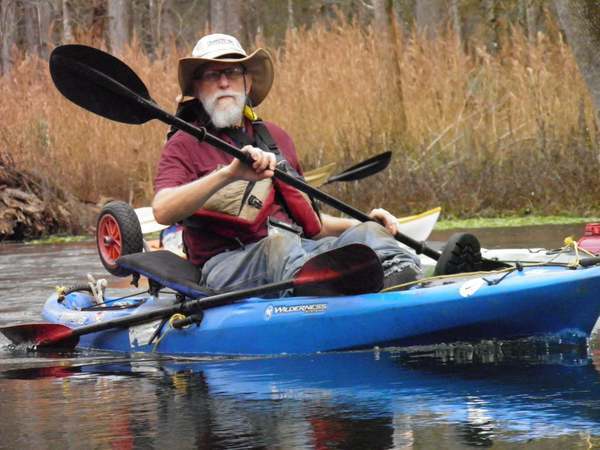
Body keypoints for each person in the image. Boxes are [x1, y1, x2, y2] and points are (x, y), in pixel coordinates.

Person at [153, 33, 421, 293]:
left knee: (367, 233)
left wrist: (364, 222)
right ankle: (324, 292)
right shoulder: (184, 143)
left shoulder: (275, 137)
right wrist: (229, 175)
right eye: (213, 75)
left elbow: (314, 226)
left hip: (299, 252)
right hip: (227, 266)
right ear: (198, 88)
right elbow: (162, 210)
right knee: (279, 245)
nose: (224, 82)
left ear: (247, 83)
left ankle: (401, 281)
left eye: (233, 73)